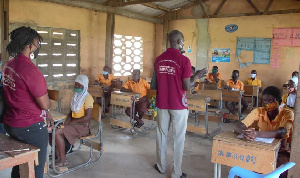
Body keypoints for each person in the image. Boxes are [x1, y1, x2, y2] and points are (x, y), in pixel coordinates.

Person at [151, 30, 207, 178]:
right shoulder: (184, 60)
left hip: (162, 102)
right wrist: (197, 75)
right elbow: (187, 86)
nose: (183, 43)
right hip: (178, 104)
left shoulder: (158, 59)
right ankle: (176, 173)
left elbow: (154, 84)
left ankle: (161, 166)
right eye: (182, 41)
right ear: (178, 41)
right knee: (178, 138)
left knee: (161, 135)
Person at [3, 26, 54, 178]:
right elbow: (44, 104)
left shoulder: (9, 65)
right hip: (30, 127)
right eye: (37, 43)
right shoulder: (31, 71)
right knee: (35, 168)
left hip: (11, 123)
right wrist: (48, 107)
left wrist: (48, 114)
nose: (38, 46)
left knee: (20, 163)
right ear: (30, 45)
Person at [234, 86, 294, 178]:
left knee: (279, 170)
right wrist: (245, 132)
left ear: (278, 101)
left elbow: (282, 132)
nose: (267, 104)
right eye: (264, 101)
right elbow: (239, 126)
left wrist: (256, 134)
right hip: (261, 147)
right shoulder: (258, 111)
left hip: (281, 150)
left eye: (270, 101)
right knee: (245, 166)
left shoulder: (287, 113)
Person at [51, 75, 93, 168]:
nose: (76, 87)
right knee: (54, 128)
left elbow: (87, 117)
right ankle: (57, 153)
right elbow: (71, 113)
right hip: (74, 123)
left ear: (84, 86)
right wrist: (65, 122)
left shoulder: (88, 98)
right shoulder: (76, 96)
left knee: (57, 132)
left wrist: (72, 123)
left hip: (82, 126)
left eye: (78, 85)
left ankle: (63, 160)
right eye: (75, 85)